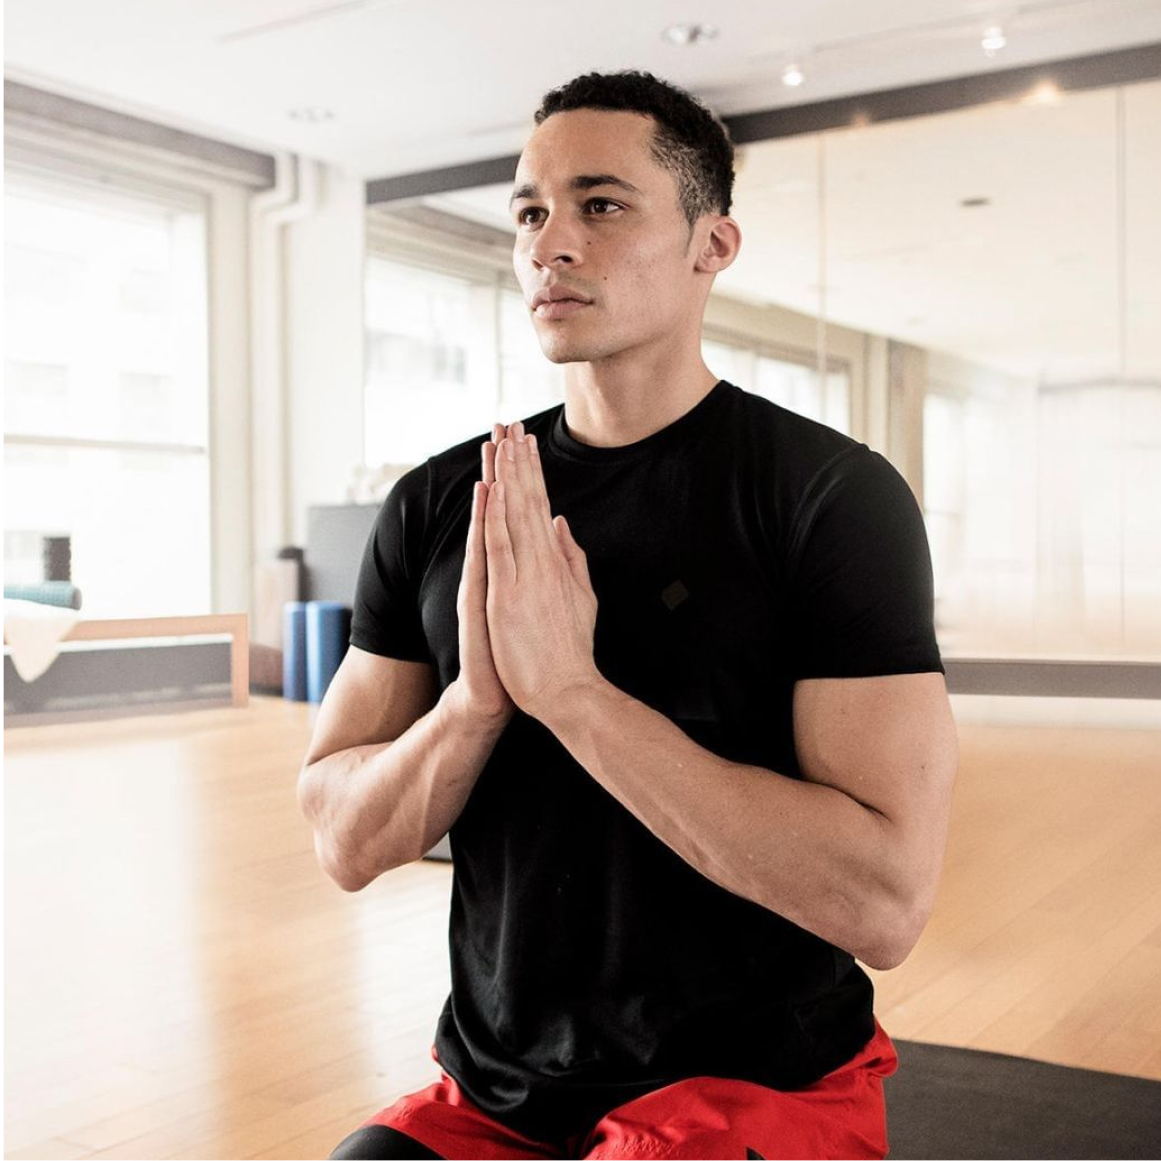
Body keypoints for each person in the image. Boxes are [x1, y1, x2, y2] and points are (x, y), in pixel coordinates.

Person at [299, 69, 959, 1161]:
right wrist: (473, 705)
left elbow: (883, 904)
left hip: (757, 1086)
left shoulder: (828, 496)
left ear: (713, 244)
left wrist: (573, 696)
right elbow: (343, 838)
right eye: (529, 212)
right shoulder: (439, 501)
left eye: (600, 206)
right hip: (495, 1095)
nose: (550, 244)